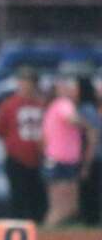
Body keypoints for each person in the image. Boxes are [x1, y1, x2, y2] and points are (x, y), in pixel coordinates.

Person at [41, 62, 99, 227]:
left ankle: (50, 234)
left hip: (62, 160)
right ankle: (45, 235)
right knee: (61, 207)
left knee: (66, 206)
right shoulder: (63, 104)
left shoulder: (56, 106)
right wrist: (89, 128)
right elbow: (72, 120)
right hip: (60, 161)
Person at [0, 66, 47, 221]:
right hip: (16, 157)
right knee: (18, 195)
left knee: (37, 196)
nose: (24, 85)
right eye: (22, 81)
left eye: (28, 81)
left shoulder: (41, 105)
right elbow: (0, 130)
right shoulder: (9, 105)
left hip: (38, 157)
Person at [78, 80, 102, 225]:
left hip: (93, 155)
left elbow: (92, 135)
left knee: (90, 189)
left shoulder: (86, 110)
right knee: (93, 189)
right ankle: (92, 218)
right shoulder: (91, 109)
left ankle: (91, 218)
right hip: (94, 155)